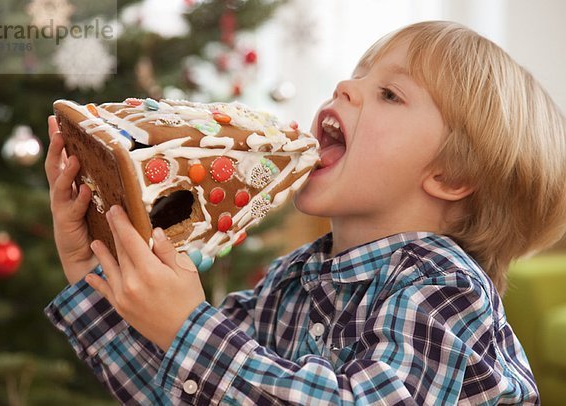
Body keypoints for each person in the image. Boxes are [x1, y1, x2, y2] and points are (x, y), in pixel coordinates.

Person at [45, 21, 566, 404]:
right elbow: (180, 387)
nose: (346, 88)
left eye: (388, 94)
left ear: (450, 177)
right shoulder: (288, 284)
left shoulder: (443, 292)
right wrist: (94, 264)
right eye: (358, 75)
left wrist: (186, 325)